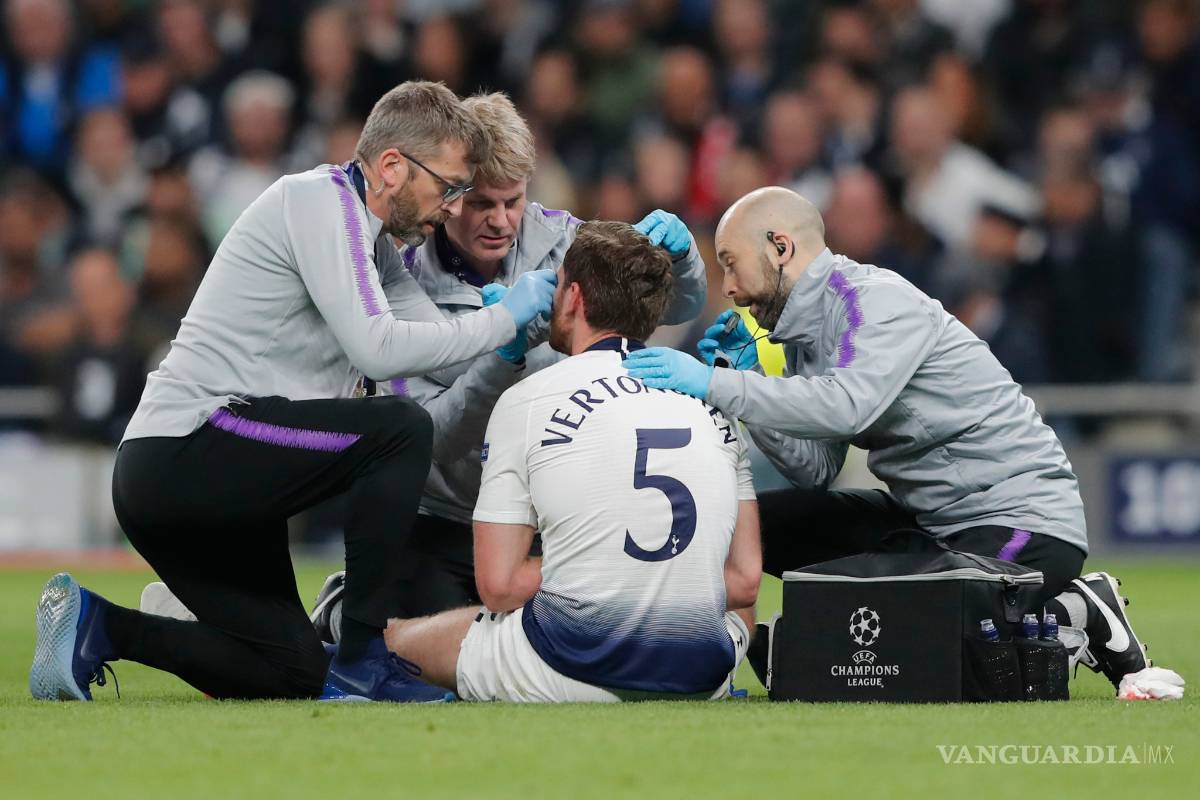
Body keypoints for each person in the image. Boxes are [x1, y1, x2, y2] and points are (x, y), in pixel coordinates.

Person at [29, 81, 557, 704]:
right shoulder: (316, 201)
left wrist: (517, 336)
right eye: (448, 186)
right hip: (186, 448)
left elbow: (442, 340)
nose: (450, 206)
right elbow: (381, 349)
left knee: (294, 672)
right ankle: (366, 654)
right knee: (400, 430)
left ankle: (98, 626)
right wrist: (503, 320)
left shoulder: (373, 242)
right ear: (392, 166)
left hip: (212, 479)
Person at [622, 186, 1160, 693]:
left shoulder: (872, 300)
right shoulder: (805, 337)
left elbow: (849, 402)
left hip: (1021, 523)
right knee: (756, 528)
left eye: (731, 264)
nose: (730, 288)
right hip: (932, 527)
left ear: (780, 247)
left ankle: (1080, 609)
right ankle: (825, 631)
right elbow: (816, 470)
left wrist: (719, 384)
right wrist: (745, 382)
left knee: (924, 639)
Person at [267, 91, 708, 635]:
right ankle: (342, 606)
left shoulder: (567, 240)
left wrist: (683, 261)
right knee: (441, 651)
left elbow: (671, 308)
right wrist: (506, 354)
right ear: (449, 195)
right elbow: (435, 439)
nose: (502, 221)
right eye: (481, 203)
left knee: (576, 645)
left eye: (514, 201)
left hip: (555, 513)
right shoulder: (398, 279)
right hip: (448, 516)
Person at [383, 220, 760, 702]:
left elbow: (498, 586)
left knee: (392, 642)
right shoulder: (713, 402)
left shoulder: (526, 399)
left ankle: (339, 612)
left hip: (563, 668)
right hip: (698, 677)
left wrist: (597, 571)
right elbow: (746, 582)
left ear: (574, 297)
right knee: (728, 607)